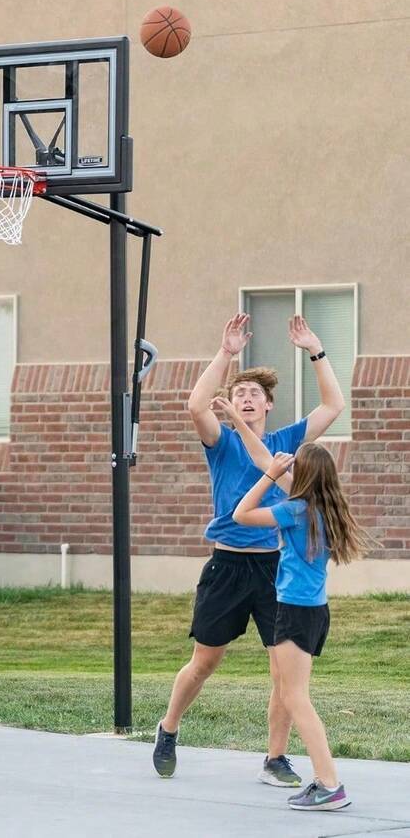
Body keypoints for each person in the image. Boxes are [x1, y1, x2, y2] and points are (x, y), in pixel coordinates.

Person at [152, 313, 345, 784]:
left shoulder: (285, 443)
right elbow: (196, 403)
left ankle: (275, 757)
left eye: (255, 393)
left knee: (284, 673)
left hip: (274, 570)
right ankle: (168, 728)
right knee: (205, 661)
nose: (246, 397)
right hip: (227, 566)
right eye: (239, 393)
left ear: (269, 405)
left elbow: (332, 406)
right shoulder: (220, 441)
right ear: (232, 406)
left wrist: (316, 351)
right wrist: (227, 354)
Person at [227, 405, 373, 811]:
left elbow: (241, 514)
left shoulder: (295, 510)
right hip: (313, 611)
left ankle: (329, 784)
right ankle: (320, 780)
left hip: (294, 611)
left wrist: (270, 475)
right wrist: (239, 423)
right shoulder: (324, 506)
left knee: (295, 697)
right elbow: (260, 455)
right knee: (290, 691)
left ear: (303, 475)